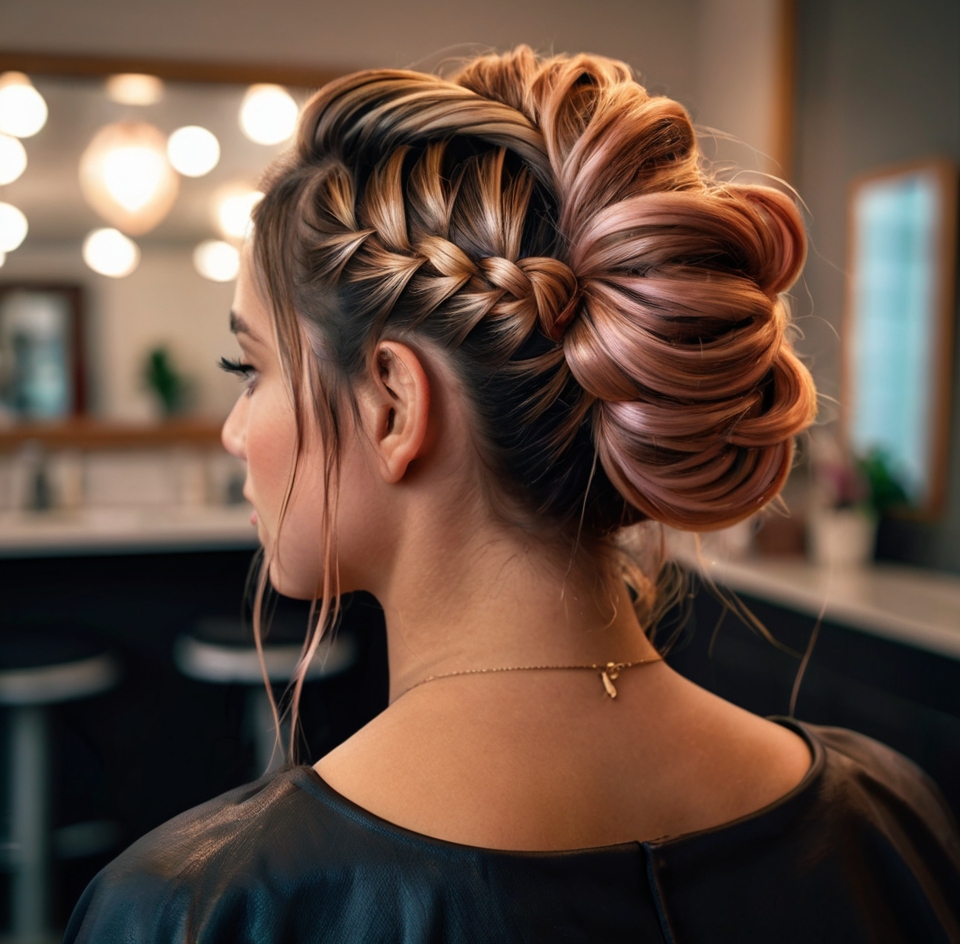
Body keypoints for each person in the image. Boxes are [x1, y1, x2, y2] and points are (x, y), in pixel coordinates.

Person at [66, 46, 959, 942]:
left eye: (249, 368)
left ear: (392, 404)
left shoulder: (196, 911)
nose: (233, 430)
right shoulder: (889, 817)